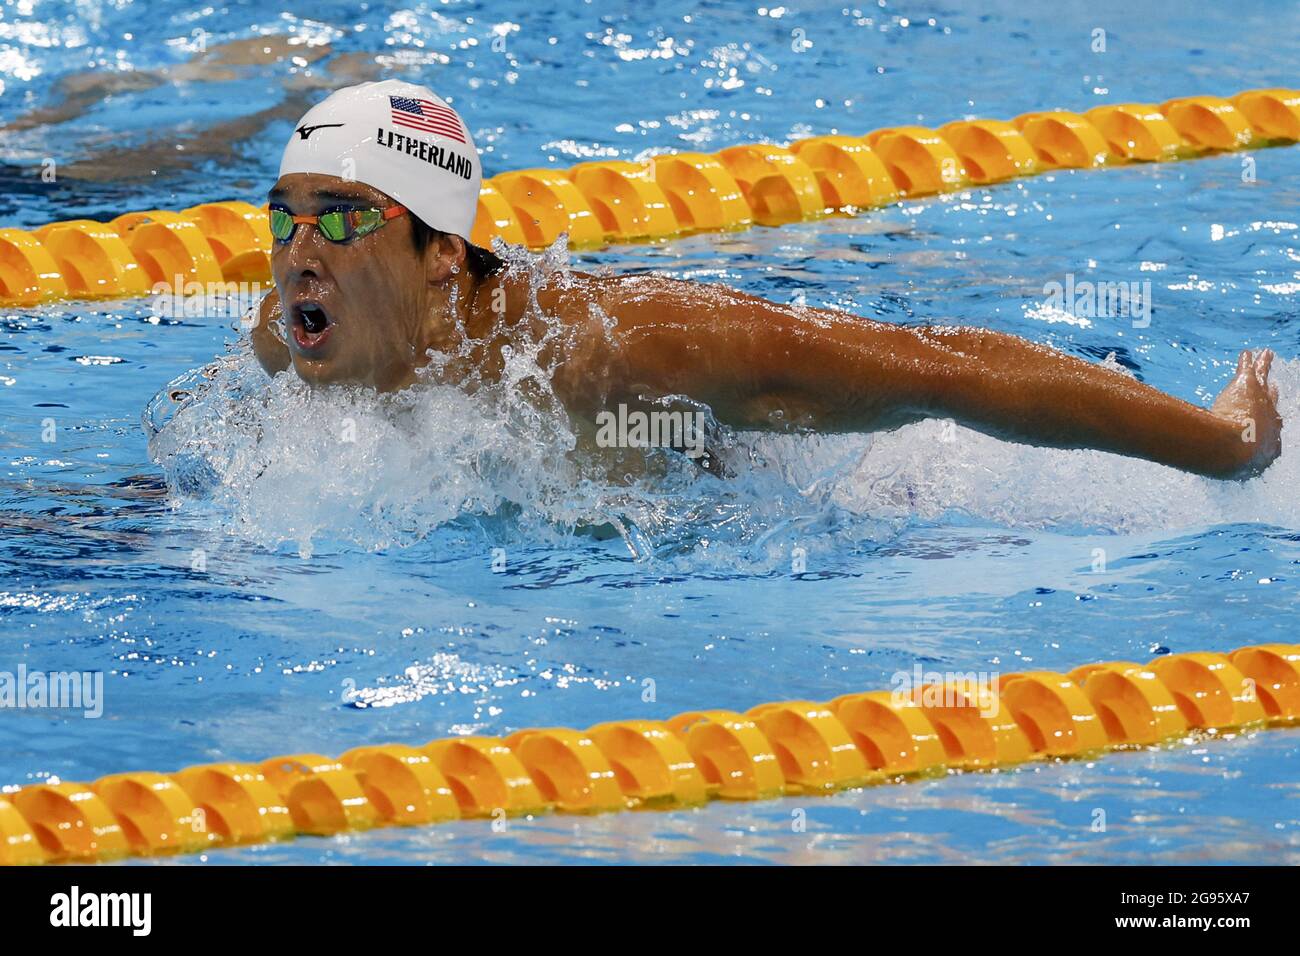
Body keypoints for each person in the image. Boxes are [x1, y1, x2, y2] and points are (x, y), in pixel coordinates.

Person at [251, 80, 1282, 480]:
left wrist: (1225, 443)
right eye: (286, 215)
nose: (302, 247)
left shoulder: (612, 347)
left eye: (341, 217)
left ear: (441, 252)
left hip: (887, 495)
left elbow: (942, 367)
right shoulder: (300, 328)